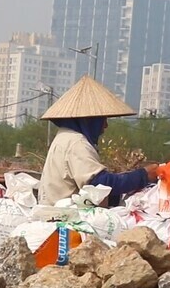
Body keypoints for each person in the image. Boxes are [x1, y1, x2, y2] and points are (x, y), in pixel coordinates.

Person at [39, 74, 158, 206]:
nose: (105, 125)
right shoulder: (76, 143)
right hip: (64, 217)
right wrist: (143, 176)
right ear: (91, 120)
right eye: (103, 120)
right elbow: (99, 184)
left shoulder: (65, 136)